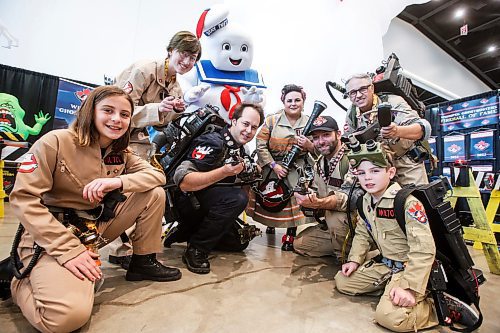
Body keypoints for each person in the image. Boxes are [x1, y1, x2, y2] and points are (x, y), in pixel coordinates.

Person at [9, 86, 181, 333]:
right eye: (108, 110)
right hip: (53, 235)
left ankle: (143, 261)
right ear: (90, 111)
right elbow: (24, 199)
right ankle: (18, 279)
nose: (116, 119)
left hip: (93, 228)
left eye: (124, 114)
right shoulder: (55, 142)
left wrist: (118, 181)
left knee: (153, 193)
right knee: (65, 319)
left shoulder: (119, 151)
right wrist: (68, 251)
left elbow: (157, 175)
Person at [333, 140, 479, 332]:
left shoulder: (406, 202)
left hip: (410, 269)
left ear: (391, 173)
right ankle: (391, 290)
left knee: (390, 318)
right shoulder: (364, 202)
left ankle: (437, 307)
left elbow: (423, 249)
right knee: (343, 281)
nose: (367, 178)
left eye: (375, 171)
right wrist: (354, 260)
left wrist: (409, 288)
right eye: (361, 173)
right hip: (386, 265)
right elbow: (363, 233)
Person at [111, 31, 201, 268]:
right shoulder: (144, 69)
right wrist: (157, 107)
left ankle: (140, 252)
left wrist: (176, 110)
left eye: (193, 58)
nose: (187, 61)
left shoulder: (176, 87)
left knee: (151, 189)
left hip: (138, 142)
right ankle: (122, 251)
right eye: (184, 53)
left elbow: (161, 122)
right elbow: (118, 110)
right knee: (127, 192)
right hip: (115, 138)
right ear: (171, 50)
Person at [172, 103, 264, 274]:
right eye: (245, 124)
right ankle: (196, 249)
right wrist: (223, 172)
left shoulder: (240, 148)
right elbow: (184, 181)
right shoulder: (213, 141)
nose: (249, 131)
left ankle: (187, 231)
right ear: (234, 121)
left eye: (254, 127)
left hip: (205, 202)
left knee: (239, 242)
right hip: (186, 201)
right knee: (237, 198)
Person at [246, 84, 315, 251]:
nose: (293, 104)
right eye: (289, 100)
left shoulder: (309, 122)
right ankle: (271, 225)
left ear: (303, 101)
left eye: (297, 100)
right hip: (273, 165)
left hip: (297, 166)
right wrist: (273, 165)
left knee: (295, 195)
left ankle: (290, 234)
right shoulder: (271, 120)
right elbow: (261, 144)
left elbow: (318, 146)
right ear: (283, 101)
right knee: (270, 194)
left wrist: (308, 144)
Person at [293, 116, 362, 260]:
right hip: (335, 223)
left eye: (326, 135)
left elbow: (351, 200)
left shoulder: (353, 159)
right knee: (300, 244)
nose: (321, 141)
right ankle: (343, 245)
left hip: (359, 224)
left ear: (338, 134)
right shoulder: (319, 163)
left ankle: (349, 257)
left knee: (335, 217)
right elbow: (317, 191)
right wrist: (307, 196)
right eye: (316, 138)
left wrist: (319, 203)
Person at [343, 73, 431, 186]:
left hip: (405, 163)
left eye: (363, 89)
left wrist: (397, 131)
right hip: (377, 167)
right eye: (353, 92)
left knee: (416, 198)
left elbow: (422, 129)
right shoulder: (352, 113)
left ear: (372, 88)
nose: (358, 95)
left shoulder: (393, 102)